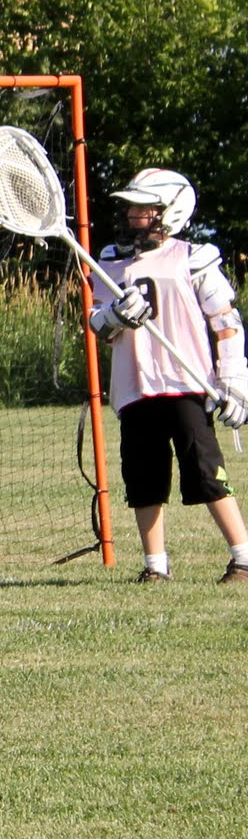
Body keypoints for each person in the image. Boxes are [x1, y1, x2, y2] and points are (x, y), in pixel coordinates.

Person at [89, 168, 248, 584]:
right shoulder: (111, 261)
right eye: (131, 206)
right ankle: (155, 566)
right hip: (135, 386)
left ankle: (243, 558)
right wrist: (114, 315)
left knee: (206, 471)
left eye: (142, 207)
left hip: (186, 383)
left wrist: (233, 380)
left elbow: (226, 322)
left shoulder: (192, 258)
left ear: (169, 211)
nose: (132, 214)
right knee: (143, 479)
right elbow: (97, 323)